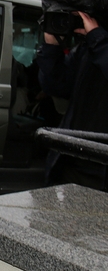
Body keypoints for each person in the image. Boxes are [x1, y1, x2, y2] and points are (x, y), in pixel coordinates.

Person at [37, 10, 108, 191]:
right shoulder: (92, 46)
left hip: (101, 170)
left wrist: (98, 39)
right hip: (70, 160)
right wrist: (52, 46)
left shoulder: (99, 42)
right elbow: (56, 85)